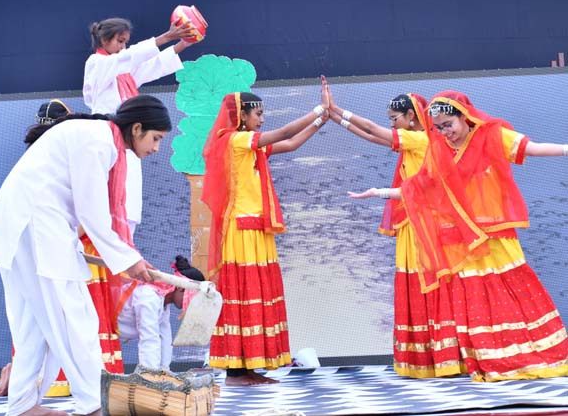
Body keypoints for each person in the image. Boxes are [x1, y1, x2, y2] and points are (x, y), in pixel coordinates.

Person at [348, 90, 568, 381]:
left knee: (508, 291)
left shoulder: (491, 136)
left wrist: (565, 149)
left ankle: (527, 352)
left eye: (448, 125)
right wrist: (380, 192)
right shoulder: (440, 150)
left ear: (464, 117)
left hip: (494, 233)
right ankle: (488, 357)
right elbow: (421, 187)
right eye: (438, 128)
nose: (444, 132)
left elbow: (532, 149)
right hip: (463, 238)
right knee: (474, 299)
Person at [0, 94, 171, 416]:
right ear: (137, 128)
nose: (156, 148)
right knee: (75, 317)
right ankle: (93, 403)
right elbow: (91, 213)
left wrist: (125, 258)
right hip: (36, 227)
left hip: (24, 226)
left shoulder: (96, 137)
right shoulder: (98, 142)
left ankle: (23, 405)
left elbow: (78, 207)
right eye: (156, 138)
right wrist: (128, 260)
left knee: (33, 323)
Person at [81, 18, 200, 371]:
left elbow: (148, 66)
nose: (122, 46)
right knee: (107, 220)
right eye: (119, 41)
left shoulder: (124, 76)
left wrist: (183, 44)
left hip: (127, 157)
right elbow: (129, 59)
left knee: (127, 219)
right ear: (105, 40)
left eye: (125, 41)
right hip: (108, 151)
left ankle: (124, 280)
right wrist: (166, 36)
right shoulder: (98, 65)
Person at [202, 77, 330, 386]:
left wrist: (322, 120)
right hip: (241, 229)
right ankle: (235, 372)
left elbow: (290, 144)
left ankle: (247, 367)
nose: (262, 119)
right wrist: (319, 108)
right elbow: (284, 133)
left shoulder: (251, 146)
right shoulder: (234, 140)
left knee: (256, 292)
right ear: (242, 115)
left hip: (255, 226)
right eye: (257, 114)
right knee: (243, 291)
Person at [328, 91, 434, 378]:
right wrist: (335, 118)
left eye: (394, 119)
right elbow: (373, 136)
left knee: (420, 282)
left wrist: (339, 110)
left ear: (411, 116)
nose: (392, 125)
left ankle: (431, 356)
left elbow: (374, 130)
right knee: (413, 281)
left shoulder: (419, 139)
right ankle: (422, 356)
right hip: (414, 221)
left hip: (422, 224)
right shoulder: (412, 140)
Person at [0, 99, 74, 398]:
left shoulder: (36, 154)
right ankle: (30, 394)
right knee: (48, 321)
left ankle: (25, 393)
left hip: (23, 245)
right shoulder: (57, 154)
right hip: (37, 246)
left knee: (27, 320)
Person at [117, 255, 205, 370]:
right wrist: (150, 374)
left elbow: (165, 337)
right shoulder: (149, 297)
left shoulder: (163, 301)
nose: (190, 305)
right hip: (101, 326)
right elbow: (149, 338)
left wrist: (165, 371)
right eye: (192, 298)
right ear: (180, 288)